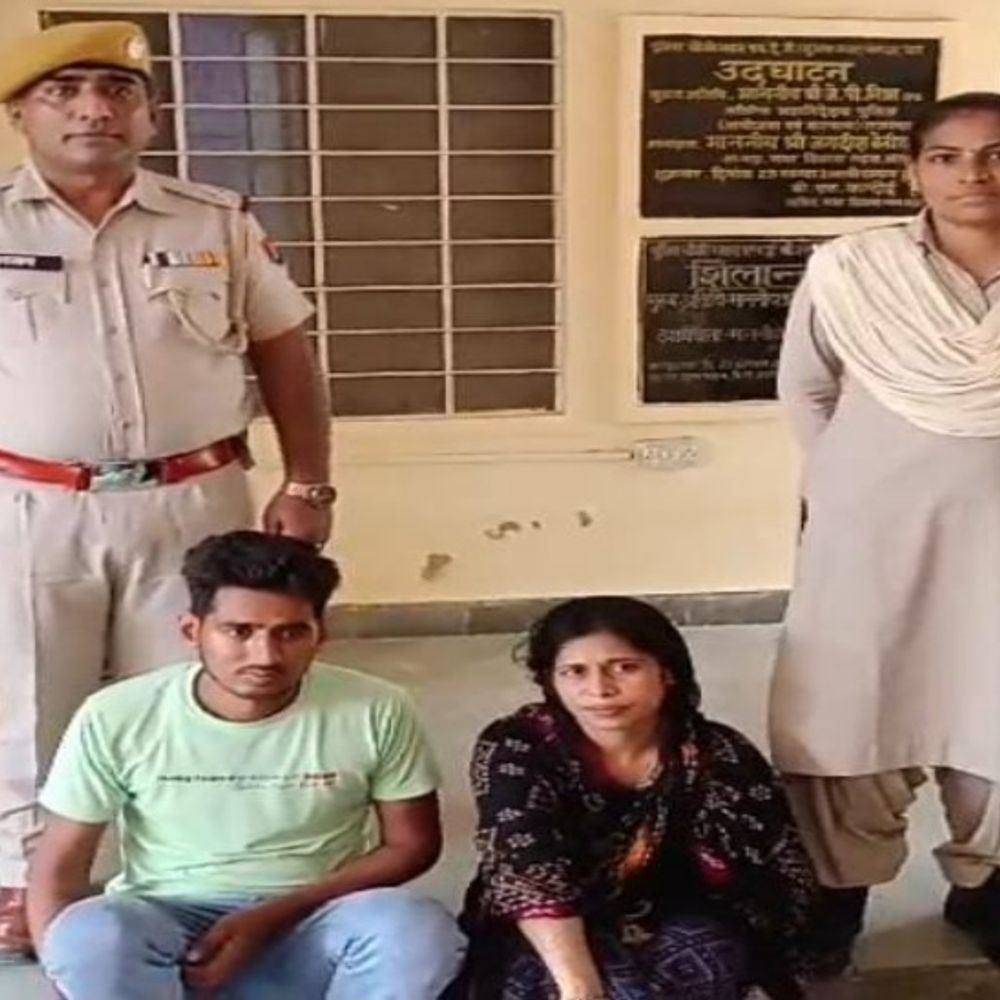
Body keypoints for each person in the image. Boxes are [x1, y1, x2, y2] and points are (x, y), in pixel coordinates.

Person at [0, 20, 335, 957]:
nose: (92, 109)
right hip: (30, 505)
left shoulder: (213, 220)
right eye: (63, 92)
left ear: (151, 114)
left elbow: (284, 353)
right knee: (27, 696)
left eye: (117, 91)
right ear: (21, 114)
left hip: (194, 499)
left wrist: (309, 483)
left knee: (193, 695)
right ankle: (26, 882)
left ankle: (186, 879)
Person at [25, 530, 465, 999]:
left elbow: (411, 844)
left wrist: (272, 915)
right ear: (192, 631)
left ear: (321, 635)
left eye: (290, 633)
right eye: (239, 631)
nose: (265, 656)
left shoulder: (376, 707)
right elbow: (59, 868)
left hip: (314, 922)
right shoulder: (118, 713)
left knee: (414, 930)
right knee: (90, 934)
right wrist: (70, 973)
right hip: (167, 928)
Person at [771, 91, 1000, 974]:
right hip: (868, 536)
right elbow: (807, 387)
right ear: (914, 172)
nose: (973, 174)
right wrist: (850, 485)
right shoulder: (852, 267)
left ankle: (986, 885)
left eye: (995, 155)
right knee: (848, 705)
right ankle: (836, 895)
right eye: (947, 157)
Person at [457, 596, 821, 1000]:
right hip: (551, 929)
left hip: (679, 917)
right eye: (575, 672)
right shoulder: (518, 746)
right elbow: (527, 870)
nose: (600, 690)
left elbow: (771, 874)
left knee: (705, 957)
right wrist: (580, 990)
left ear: (667, 672)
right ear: (550, 681)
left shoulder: (717, 755)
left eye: (625, 668)